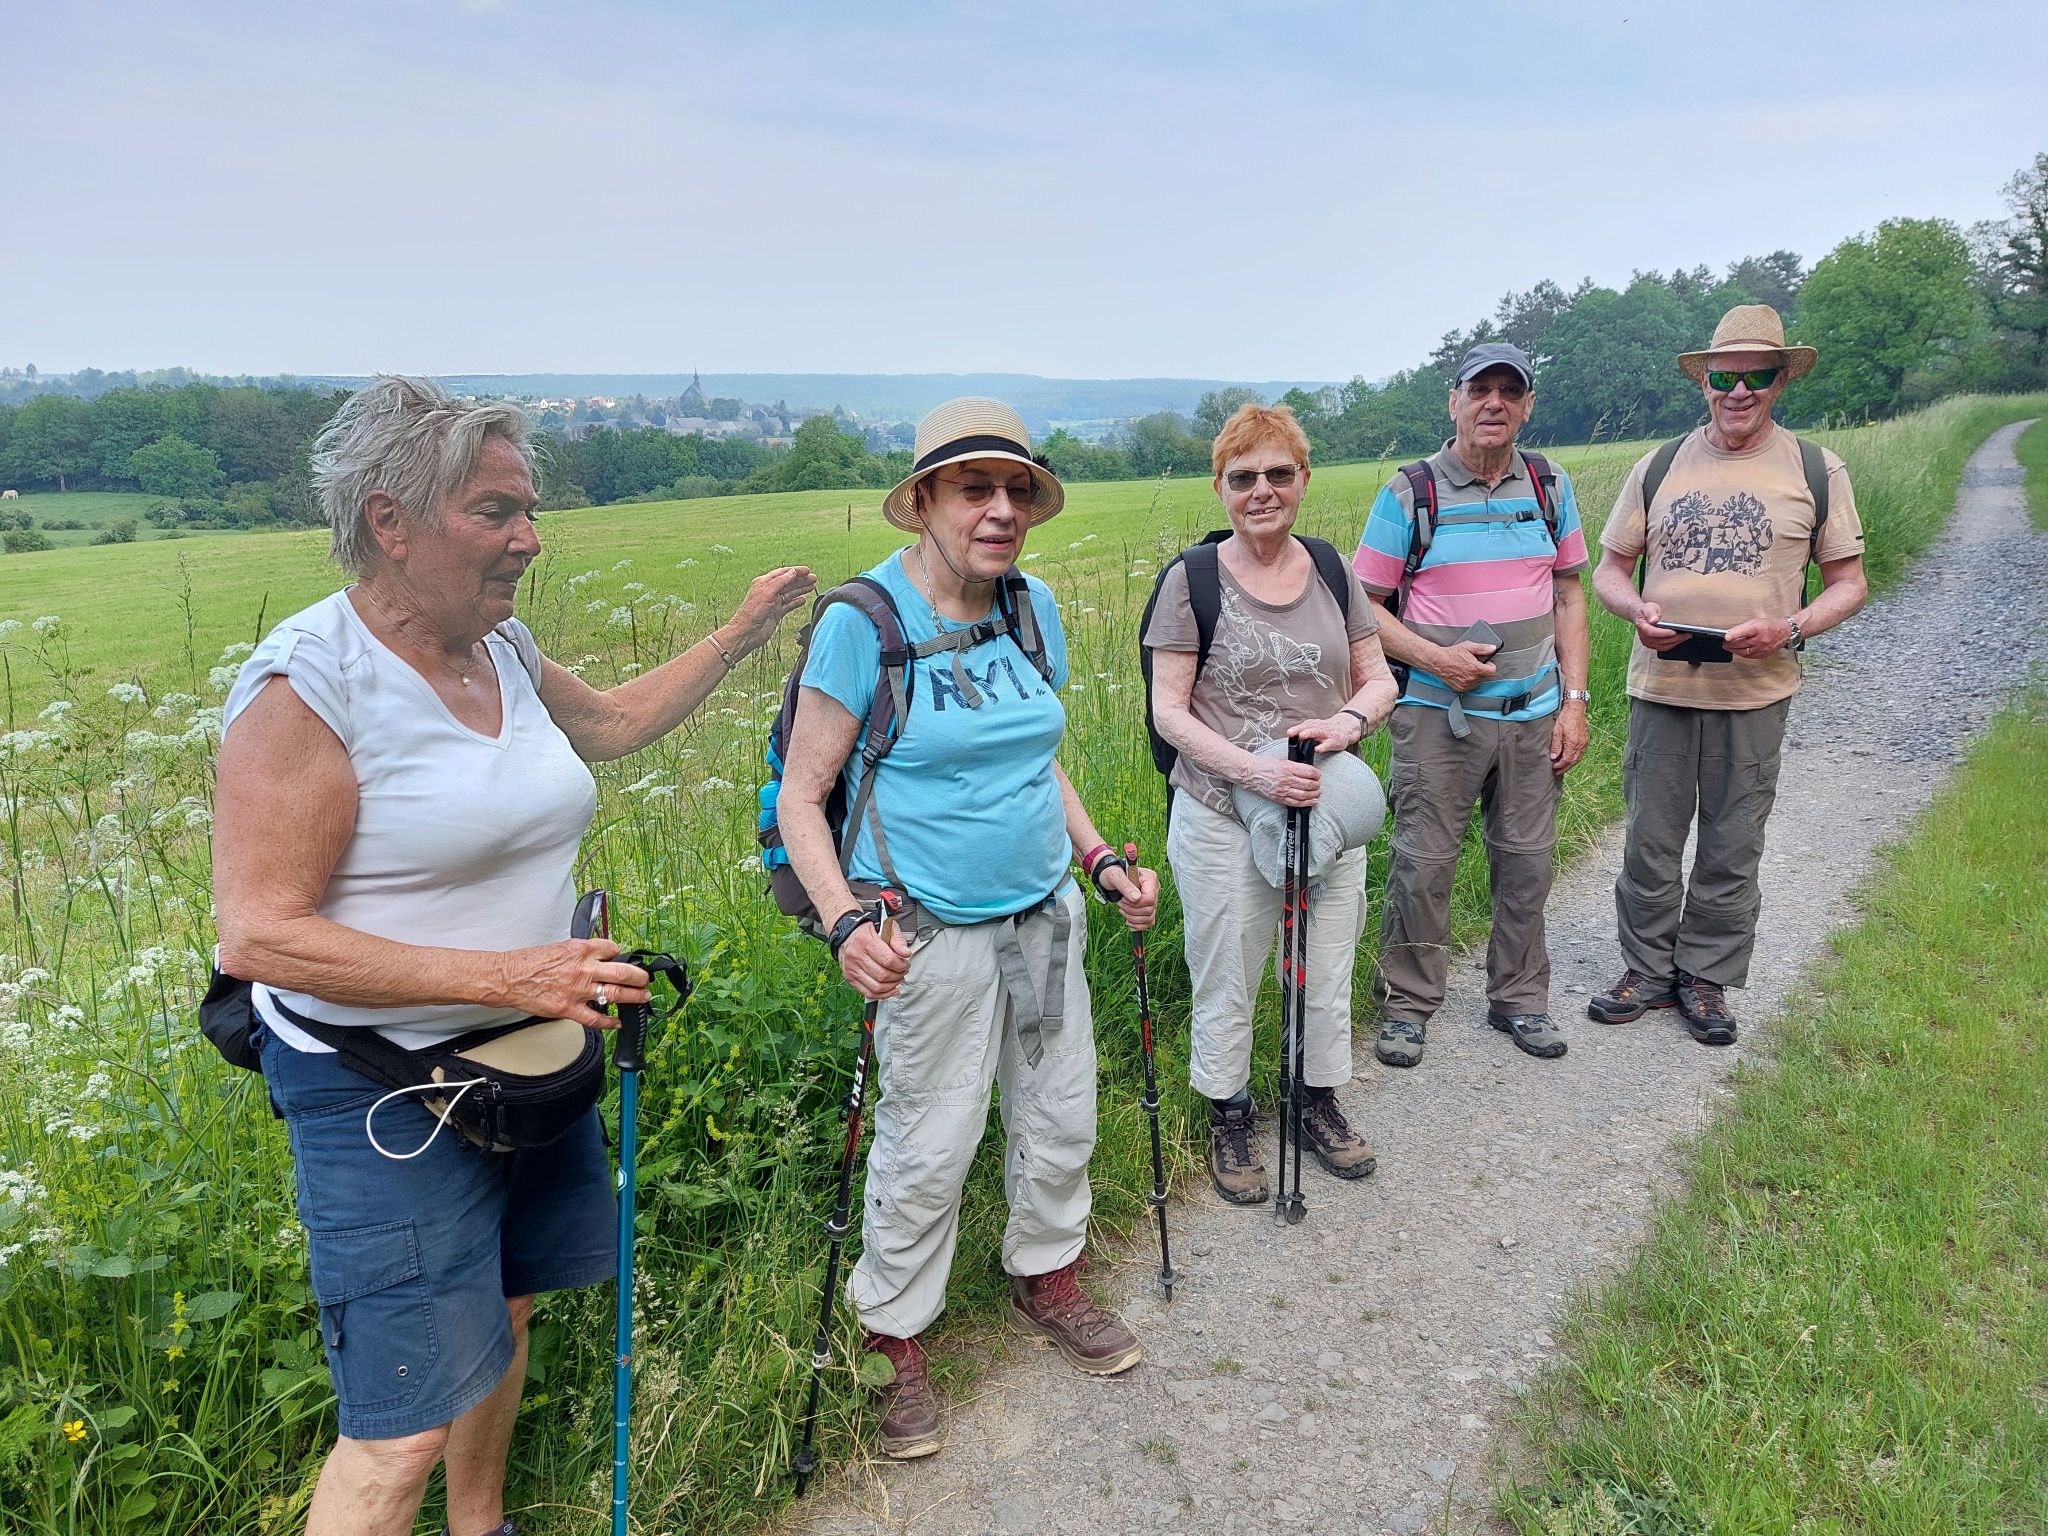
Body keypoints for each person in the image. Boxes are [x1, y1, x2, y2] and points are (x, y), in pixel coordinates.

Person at [210, 377, 814, 1536]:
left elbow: (616, 726)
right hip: (379, 1083)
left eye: (527, 510)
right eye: (496, 512)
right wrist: (514, 976)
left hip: (526, 1055)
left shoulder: (500, 647)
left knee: (508, 1307)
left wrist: (743, 632)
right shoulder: (310, 684)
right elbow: (259, 934)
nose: (529, 537)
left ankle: (479, 1525)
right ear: (390, 521)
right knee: (399, 1428)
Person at [775, 397, 1161, 1462]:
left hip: (1045, 910)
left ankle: (1046, 1275)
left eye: (1015, 492)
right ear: (924, 503)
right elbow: (802, 797)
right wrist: (844, 922)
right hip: (927, 934)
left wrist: (1099, 858)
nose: (1000, 511)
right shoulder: (864, 623)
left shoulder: (1031, 608)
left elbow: (1036, 756)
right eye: (973, 489)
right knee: (929, 1138)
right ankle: (892, 1336)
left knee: (1060, 1109)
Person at [1588, 305, 1867, 1044]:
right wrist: (1636, 609)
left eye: (1757, 376)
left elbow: (1848, 583)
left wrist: (1790, 628)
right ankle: (1647, 970)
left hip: (1757, 690)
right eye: (1724, 377)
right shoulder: (1657, 466)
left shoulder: (1815, 469)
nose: (1739, 391)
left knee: (1732, 842)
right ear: (1703, 382)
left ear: (1781, 382)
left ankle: (1705, 977)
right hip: (1663, 686)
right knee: (1649, 839)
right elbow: (1609, 570)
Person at [1143, 403, 1397, 1205]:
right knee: (1228, 971)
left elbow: (1379, 678)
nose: (1262, 490)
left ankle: (1314, 1101)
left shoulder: (1331, 570)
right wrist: (1257, 775)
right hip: (1221, 811)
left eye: (1279, 474)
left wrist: (1348, 723)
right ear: (1219, 487)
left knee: (1326, 966)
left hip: (1324, 806)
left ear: (1303, 480)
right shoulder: (1191, 580)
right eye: (1243, 477)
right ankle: (1231, 1114)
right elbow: (1169, 712)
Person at [1354, 343, 1593, 1069]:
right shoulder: (1411, 492)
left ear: (1527, 405)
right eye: (1479, 390)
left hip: (1533, 716)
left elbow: (1569, 595)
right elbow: (1365, 607)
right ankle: (1408, 1004)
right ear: (1453, 401)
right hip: (1437, 717)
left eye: (1508, 392)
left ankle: (1519, 998)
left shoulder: (1549, 484)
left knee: (1527, 862)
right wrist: (1437, 660)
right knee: (1423, 864)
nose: (1494, 403)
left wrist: (1574, 703)